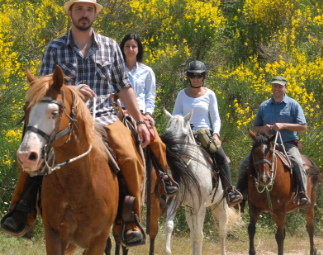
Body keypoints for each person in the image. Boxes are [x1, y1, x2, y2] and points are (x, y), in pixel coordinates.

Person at [0, 0, 151, 245]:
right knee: (31, 153)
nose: (85, 14)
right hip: (65, 119)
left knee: (128, 154)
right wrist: (72, 91)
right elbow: (44, 87)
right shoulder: (55, 48)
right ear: (70, 12)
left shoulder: (111, 47)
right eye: (79, 9)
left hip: (103, 116)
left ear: (95, 14)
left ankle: (130, 219)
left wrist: (139, 121)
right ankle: (21, 209)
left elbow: (124, 87)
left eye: (89, 9)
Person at [172, 60, 243, 206]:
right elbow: (175, 116)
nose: (196, 78)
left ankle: (230, 191)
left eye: (199, 75)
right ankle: (168, 189)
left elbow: (216, 117)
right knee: (169, 156)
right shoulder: (182, 94)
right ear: (189, 77)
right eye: (193, 75)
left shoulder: (209, 94)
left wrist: (216, 134)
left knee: (222, 157)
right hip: (186, 133)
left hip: (205, 133)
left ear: (203, 76)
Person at [119, 34, 178, 197]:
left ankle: (166, 178)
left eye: (133, 46)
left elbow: (150, 95)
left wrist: (148, 114)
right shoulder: (115, 69)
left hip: (140, 114)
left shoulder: (147, 72)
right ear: (122, 49)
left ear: (138, 49)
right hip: (120, 111)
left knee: (158, 142)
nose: (130, 49)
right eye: (127, 46)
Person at [236, 76, 309, 206]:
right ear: (272, 87)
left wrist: (284, 125)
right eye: (275, 86)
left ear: (285, 88)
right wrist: (263, 128)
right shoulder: (264, 106)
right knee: (244, 164)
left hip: (287, 143)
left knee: (297, 163)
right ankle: (239, 193)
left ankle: (302, 193)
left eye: (280, 86)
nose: (277, 89)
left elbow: (303, 126)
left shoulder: (293, 105)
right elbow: (256, 127)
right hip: (266, 145)